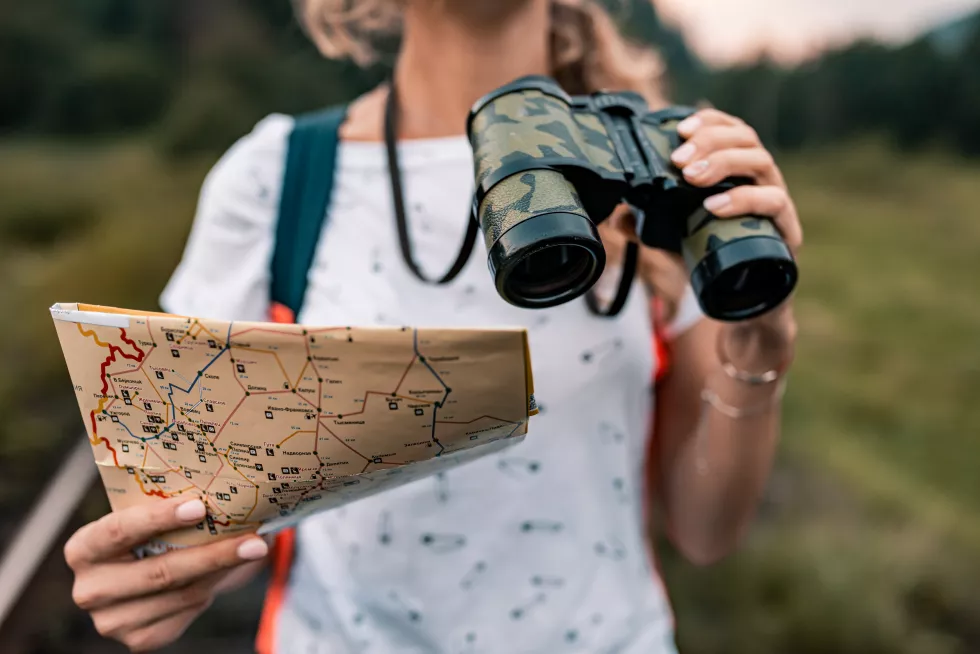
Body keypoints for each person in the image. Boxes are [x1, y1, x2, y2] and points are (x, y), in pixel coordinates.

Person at [63, 0, 803, 652]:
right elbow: (197, 510)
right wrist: (157, 572)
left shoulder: (676, 158)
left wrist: (762, 340)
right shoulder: (275, 176)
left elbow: (706, 533)